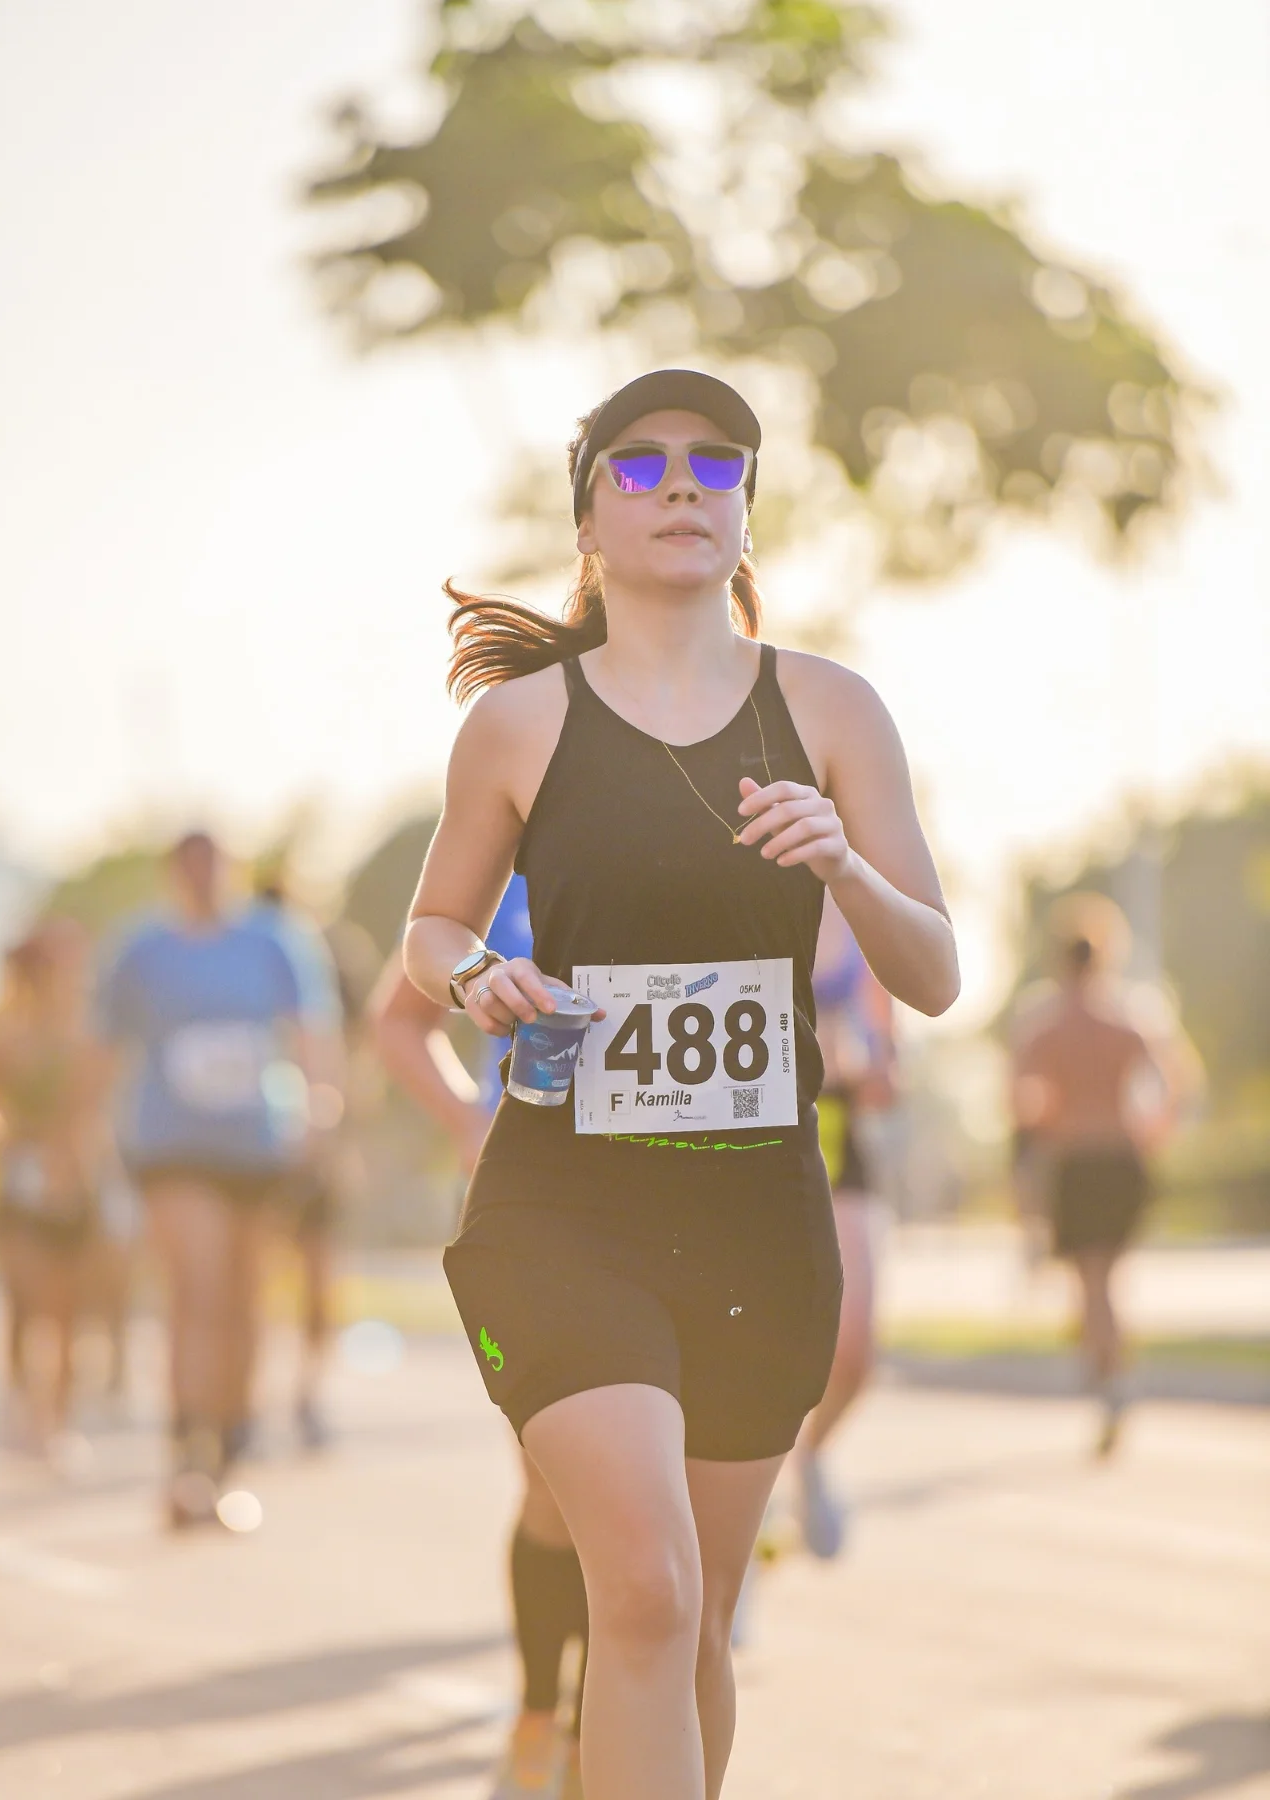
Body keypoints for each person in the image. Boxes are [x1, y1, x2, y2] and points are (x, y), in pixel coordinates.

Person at [403, 369, 959, 1800]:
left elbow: (939, 971)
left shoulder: (831, 710)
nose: (684, 486)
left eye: (718, 463)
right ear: (589, 515)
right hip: (564, 1206)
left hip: (759, 1218)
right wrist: (476, 981)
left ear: (750, 511)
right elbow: (432, 932)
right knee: (642, 1592)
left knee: (699, 1615)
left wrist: (842, 859)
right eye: (642, 467)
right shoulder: (521, 726)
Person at [374, 872, 590, 1800]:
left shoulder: (684, 815)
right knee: (553, 1484)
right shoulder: (500, 864)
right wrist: (470, 1117)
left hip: (677, 1193)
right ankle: (542, 1712)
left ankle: (601, 1721)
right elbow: (397, 1019)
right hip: (536, 1203)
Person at [97, 831, 341, 1526]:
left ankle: (230, 1448)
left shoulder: (273, 942)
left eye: (216, 866)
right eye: (191, 867)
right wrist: (86, 1143)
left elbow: (312, 1034)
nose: (204, 879)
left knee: (243, 1299)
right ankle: (186, 1454)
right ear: (173, 874)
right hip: (172, 1148)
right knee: (195, 1291)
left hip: (258, 1149)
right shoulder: (141, 949)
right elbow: (103, 1046)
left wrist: (323, 1113)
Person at [1010, 894, 1179, 1456]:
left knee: (1093, 1283)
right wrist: (1150, 1129)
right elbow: (1176, 1081)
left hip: (1078, 1162)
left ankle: (1111, 1382)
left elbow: (1021, 1102)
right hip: (1122, 1158)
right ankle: (1112, 1374)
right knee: (1106, 1281)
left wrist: (1053, 1120)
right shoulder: (1129, 1018)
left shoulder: (1045, 1025)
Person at [787, 891, 897, 1558]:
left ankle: (812, 1455)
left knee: (854, 1347)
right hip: (752, 1116)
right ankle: (727, 1559)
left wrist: (881, 1067)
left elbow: (888, 1045)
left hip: (838, 1121)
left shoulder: (860, 902)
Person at [0, 922, 99, 1453]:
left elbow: (96, 1102)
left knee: (69, 1309)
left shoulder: (85, 1031)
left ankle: (58, 1419)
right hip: (20, 1180)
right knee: (22, 1303)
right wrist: (10, 1138)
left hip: (75, 1179)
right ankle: (24, 1409)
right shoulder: (8, 1036)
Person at [244, 868, 347, 1448]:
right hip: (262, 1143)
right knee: (260, 1276)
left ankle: (305, 1397)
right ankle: (254, 1402)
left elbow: (346, 1044)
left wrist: (332, 1114)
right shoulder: (240, 964)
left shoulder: (330, 959)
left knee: (313, 1277)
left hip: (316, 1136)